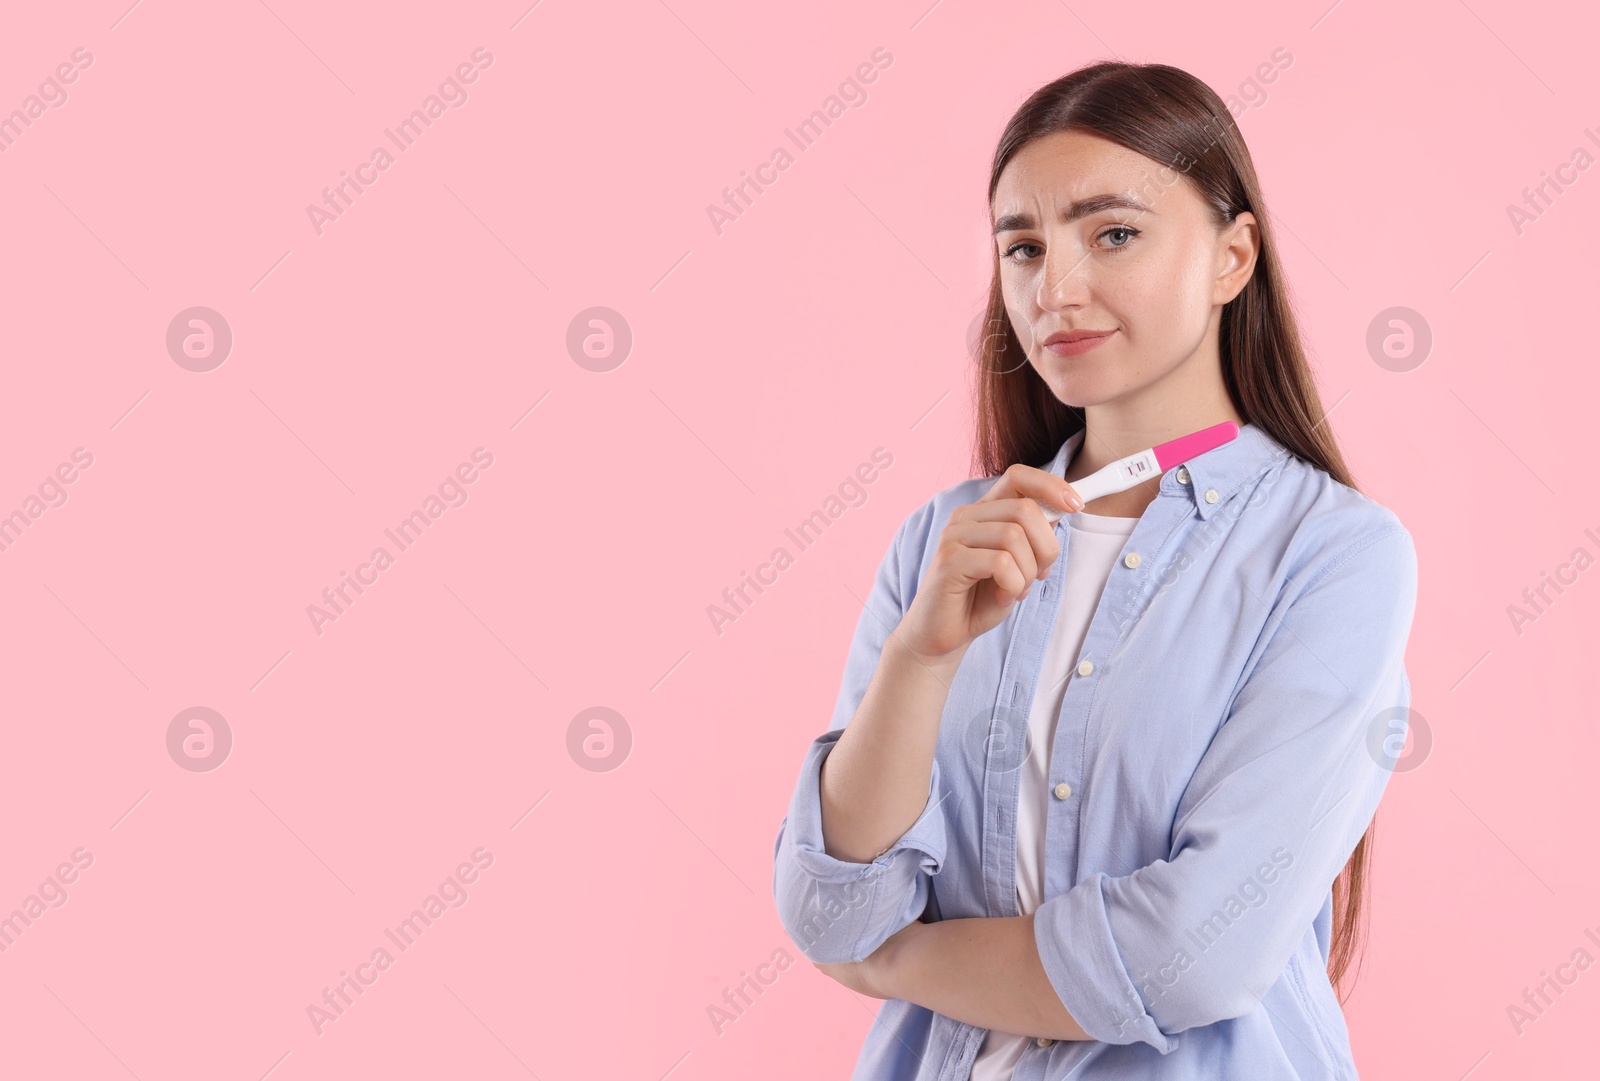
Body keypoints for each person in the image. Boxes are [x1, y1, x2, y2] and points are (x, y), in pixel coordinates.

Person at [771, 60, 1419, 1080]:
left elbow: (1193, 955)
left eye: (1111, 233)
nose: (1053, 289)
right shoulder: (945, 540)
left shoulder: (1335, 554)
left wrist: (891, 959)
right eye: (1021, 248)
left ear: (1231, 254)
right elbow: (828, 904)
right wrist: (920, 658)